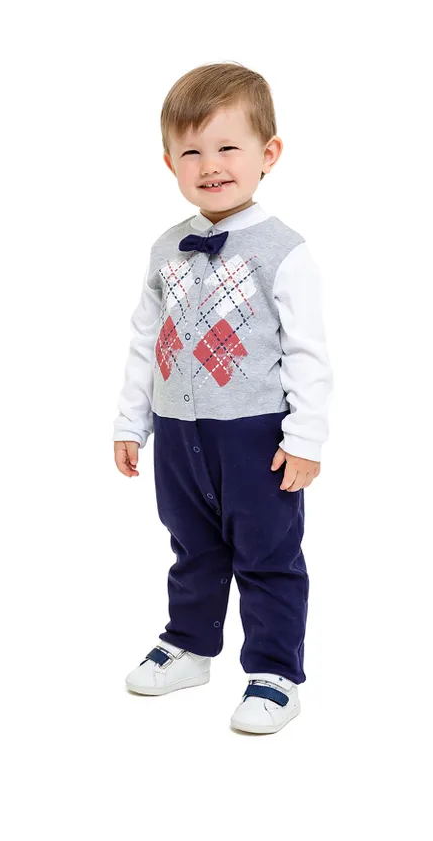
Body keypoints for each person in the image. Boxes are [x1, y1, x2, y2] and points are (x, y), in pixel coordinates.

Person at [112, 62, 334, 734]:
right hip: (178, 431)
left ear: (269, 154)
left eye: (228, 147)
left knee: (267, 552)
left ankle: (274, 673)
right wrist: (131, 422)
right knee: (192, 545)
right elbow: (145, 338)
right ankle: (190, 645)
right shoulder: (166, 249)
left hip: (254, 434)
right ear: (169, 163)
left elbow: (308, 353)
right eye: (192, 152)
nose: (210, 165)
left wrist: (305, 439)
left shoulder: (283, 251)